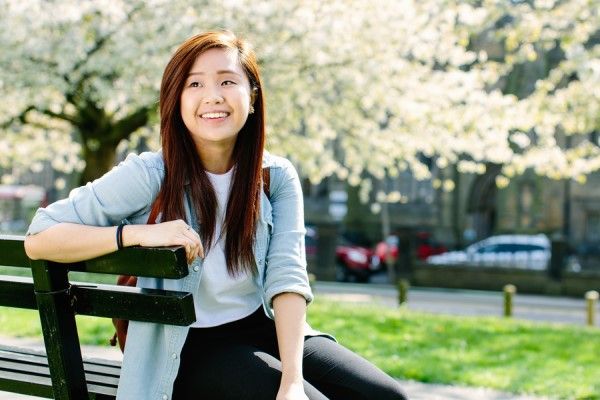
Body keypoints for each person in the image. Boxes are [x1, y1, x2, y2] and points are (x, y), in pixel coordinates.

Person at [24, 30, 407, 400]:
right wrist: (136, 234)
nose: (213, 97)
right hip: (188, 345)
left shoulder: (274, 177)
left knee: (388, 395)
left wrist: (292, 380)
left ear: (252, 97)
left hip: (263, 328)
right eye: (195, 84)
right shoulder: (149, 175)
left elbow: (287, 278)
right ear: (175, 99)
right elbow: (39, 237)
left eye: (227, 82)